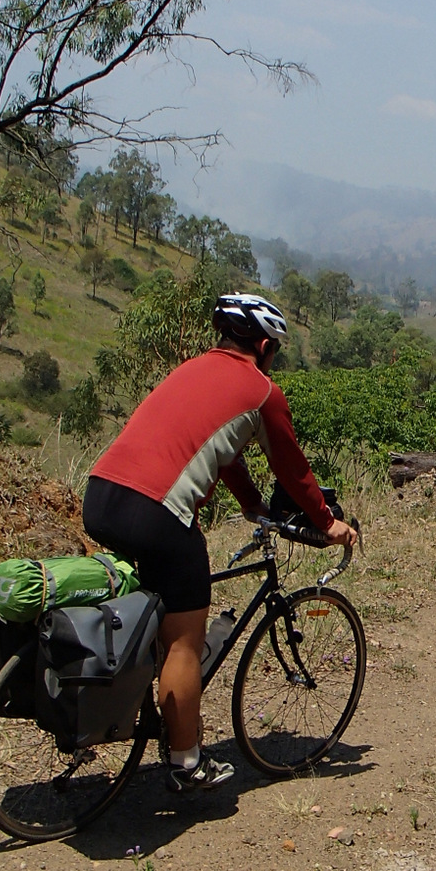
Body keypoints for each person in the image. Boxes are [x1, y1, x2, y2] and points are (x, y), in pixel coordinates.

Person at [82, 292, 357, 792]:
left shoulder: (192, 370)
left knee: (152, 614)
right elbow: (292, 469)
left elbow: (225, 454)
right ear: (266, 346)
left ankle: (138, 703)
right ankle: (187, 763)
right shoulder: (262, 390)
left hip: (100, 496)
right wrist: (327, 522)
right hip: (157, 513)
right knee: (184, 641)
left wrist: (252, 505)